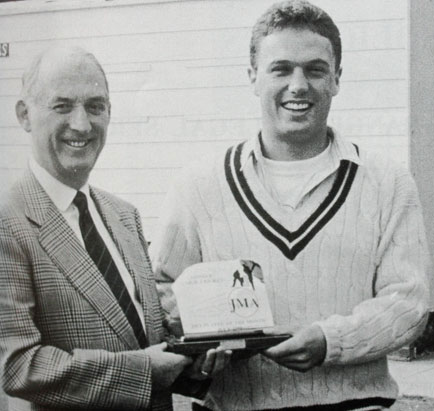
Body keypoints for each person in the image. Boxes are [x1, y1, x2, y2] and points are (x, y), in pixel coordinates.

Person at [150, 1, 430, 410]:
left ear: (336, 78)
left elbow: (408, 304)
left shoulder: (388, 182)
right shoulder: (199, 186)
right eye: (280, 69)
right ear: (253, 77)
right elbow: (162, 291)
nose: (298, 85)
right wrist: (204, 337)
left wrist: (330, 341)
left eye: (315, 69)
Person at [0, 46, 230, 411]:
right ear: (24, 115)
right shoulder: (7, 223)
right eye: (62, 106)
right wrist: (144, 372)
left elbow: (145, 338)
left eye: (95, 106)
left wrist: (194, 363)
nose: (82, 124)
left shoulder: (124, 216)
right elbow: (16, 366)